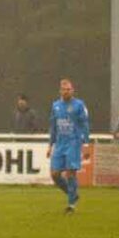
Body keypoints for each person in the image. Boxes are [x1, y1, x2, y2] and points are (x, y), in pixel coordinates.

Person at [47, 78, 89, 213]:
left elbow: (84, 123)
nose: (66, 92)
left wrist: (85, 140)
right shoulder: (55, 106)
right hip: (60, 143)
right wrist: (50, 145)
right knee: (54, 174)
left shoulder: (79, 105)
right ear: (60, 91)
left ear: (73, 90)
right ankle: (73, 194)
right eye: (64, 89)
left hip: (73, 142)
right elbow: (53, 126)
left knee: (71, 172)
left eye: (69, 89)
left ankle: (71, 205)